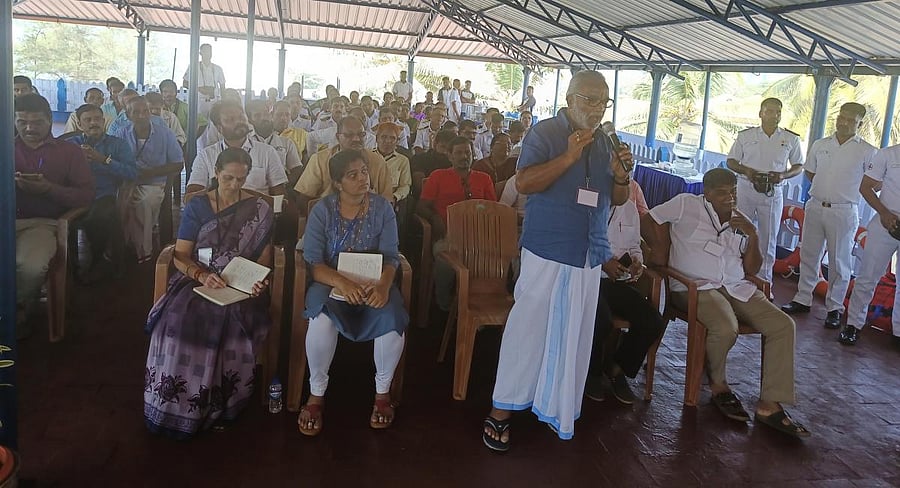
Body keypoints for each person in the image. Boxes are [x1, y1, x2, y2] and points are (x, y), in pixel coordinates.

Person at [483, 71, 632, 451]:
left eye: (603, 102)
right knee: (528, 331)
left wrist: (619, 176)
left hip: (588, 252)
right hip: (548, 247)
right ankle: (502, 410)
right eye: (589, 99)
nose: (597, 109)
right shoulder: (545, 133)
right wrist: (569, 155)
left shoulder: (606, 142)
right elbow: (526, 183)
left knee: (575, 336)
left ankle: (555, 407)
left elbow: (617, 200)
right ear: (569, 98)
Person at [642, 168, 810, 439]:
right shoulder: (686, 203)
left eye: (732, 192)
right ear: (706, 192)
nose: (729, 198)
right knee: (725, 326)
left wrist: (753, 234)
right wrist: (660, 250)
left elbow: (752, 267)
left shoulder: (740, 220)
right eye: (721, 193)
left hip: (735, 286)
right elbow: (648, 218)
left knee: (783, 325)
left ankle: (770, 403)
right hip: (694, 286)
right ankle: (719, 384)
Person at [144, 148, 274, 439]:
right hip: (198, 279)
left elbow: (265, 258)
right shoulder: (198, 206)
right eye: (228, 178)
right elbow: (180, 255)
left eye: (241, 179)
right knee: (178, 317)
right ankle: (176, 404)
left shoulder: (259, 208)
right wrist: (202, 275)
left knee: (232, 314)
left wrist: (258, 281)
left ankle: (220, 402)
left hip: (243, 286)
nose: (234, 185)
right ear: (215, 173)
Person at [297, 149, 409, 436]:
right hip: (331, 283)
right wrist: (342, 283)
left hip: (374, 282)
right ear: (337, 183)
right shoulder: (323, 210)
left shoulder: (383, 208)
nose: (363, 179)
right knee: (321, 319)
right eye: (353, 175)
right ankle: (317, 394)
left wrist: (384, 286)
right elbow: (313, 262)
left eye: (365, 172)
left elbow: (391, 256)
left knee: (392, 318)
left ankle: (382, 395)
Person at [782, 103, 878, 329]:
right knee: (809, 254)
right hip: (815, 206)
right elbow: (810, 170)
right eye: (841, 117)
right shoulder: (821, 144)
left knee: (839, 261)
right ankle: (803, 297)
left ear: (859, 124)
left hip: (844, 210)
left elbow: (873, 180)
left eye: (850, 120)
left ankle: (835, 308)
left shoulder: (867, 150)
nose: (843, 123)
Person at [14, 94, 94, 334]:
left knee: (30, 265)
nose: (29, 128)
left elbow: (86, 196)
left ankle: (16, 308)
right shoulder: (5, 147)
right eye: (22, 122)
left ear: (50, 121)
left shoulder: (69, 152)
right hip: (6, 220)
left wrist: (49, 189)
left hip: (43, 223)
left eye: (37, 122)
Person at [584, 196, 666, 405]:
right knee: (601, 320)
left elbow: (634, 245)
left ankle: (616, 368)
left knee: (652, 321)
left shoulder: (628, 207)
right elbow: (575, 241)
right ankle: (591, 372)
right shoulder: (586, 200)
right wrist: (604, 263)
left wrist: (638, 263)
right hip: (586, 277)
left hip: (617, 282)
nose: (626, 182)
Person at [726, 98, 804, 288]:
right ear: (760, 113)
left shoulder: (791, 139)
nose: (774, 115)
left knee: (769, 238)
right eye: (769, 111)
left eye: (778, 112)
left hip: (772, 191)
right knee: (738, 231)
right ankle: (731, 273)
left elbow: (799, 166)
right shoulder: (746, 136)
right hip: (746, 187)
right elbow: (731, 161)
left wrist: (783, 175)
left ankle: (764, 282)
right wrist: (747, 171)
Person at [417, 136, 497, 312]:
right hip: (448, 236)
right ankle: (443, 306)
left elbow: (493, 209)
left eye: (467, 152)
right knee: (445, 261)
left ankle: (479, 308)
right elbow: (421, 207)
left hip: (479, 237)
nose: (464, 156)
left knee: (497, 261)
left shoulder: (484, 179)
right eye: (459, 153)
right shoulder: (438, 176)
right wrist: (435, 218)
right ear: (450, 156)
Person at [64, 104, 138, 282]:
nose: (93, 123)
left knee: (99, 217)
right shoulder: (69, 145)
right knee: (65, 223)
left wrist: (104, 160)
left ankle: (97, 262)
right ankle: (71, 269)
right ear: (80, 124)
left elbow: (133, 173)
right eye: (88, 120)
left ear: (104, 121)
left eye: (97, 119)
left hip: (104, 195)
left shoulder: (117, 144)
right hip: (75, 196)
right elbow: (57, 171)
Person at [110, 96, 185, 263]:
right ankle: (130, 244)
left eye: (145, 111)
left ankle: (144, 250)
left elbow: (179, 164)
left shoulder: (165, 133)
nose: (142, 115)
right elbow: (112, 160)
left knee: (143, 201)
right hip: (128, 182)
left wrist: (150, 173)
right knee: (117, 201)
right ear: (128, 115)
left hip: (155, 183)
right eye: (136, 112)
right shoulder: (121, 133)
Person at [840, 144, 900, 347]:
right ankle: (853, 325)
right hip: (886, 220)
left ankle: (898, 333)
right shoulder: (888, 154)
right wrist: (884, 213)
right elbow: (866, 187)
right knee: (868, 277)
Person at [187, 100, 287, 196]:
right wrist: (219, 194)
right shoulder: (206, 156)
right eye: (231, 119)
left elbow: (279, 193)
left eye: (241, 117)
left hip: (256, 211)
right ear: (219, 128)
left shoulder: (267, 152)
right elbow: (191, 196)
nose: (239, 122)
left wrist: (246, 198)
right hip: (217, 212)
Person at [295, 116, 394, 212]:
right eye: (349, 135)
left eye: (361, 134)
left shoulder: (377, 161)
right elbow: (304, 199)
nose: (356, 139)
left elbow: (387, 201)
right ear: (338, 137)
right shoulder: (319, 159)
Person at [246, 99, 303, 183]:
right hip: (253, 189)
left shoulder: (286, 143)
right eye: (257, 115)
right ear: (250, 120)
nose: (263, 118)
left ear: (270, 115)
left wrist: (285, 185)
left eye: (266, 113)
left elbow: (296, 169)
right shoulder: (245, 142)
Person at [374, 122, 411, 206]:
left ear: (397, 141)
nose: (388, 141)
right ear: (377, 139)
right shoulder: (368, 157)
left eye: (392, 138)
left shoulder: (403, 161)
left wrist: (394, 197)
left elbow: (405, 186)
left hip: (391, 201)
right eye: (383, 137)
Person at [182, 43, 226, 114]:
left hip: (214, 101)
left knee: (213, 122)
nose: (208, 53)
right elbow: (185, 83)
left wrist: (223, 103)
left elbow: (222, 87)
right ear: (200, 53)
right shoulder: (193, 66)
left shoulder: (218, 69)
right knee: (198, 122)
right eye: (205, 51)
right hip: (198, 102)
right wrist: (199, 89)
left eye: (209, 51)